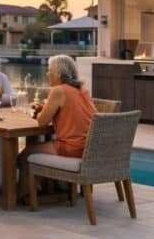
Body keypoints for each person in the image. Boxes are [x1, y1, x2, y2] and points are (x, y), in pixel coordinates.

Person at [17, 54, 96, 198]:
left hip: (71, 147)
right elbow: (69, 111)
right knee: (36, 150)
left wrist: (42, 110)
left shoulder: (58, 90)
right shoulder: (83, 90)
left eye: (49, 70)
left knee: (25, 154)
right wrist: (45, 107)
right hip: (89, 147)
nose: (47, 74)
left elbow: (42, 122)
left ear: (58, 73)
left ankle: (23, 196)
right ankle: (39, 188)